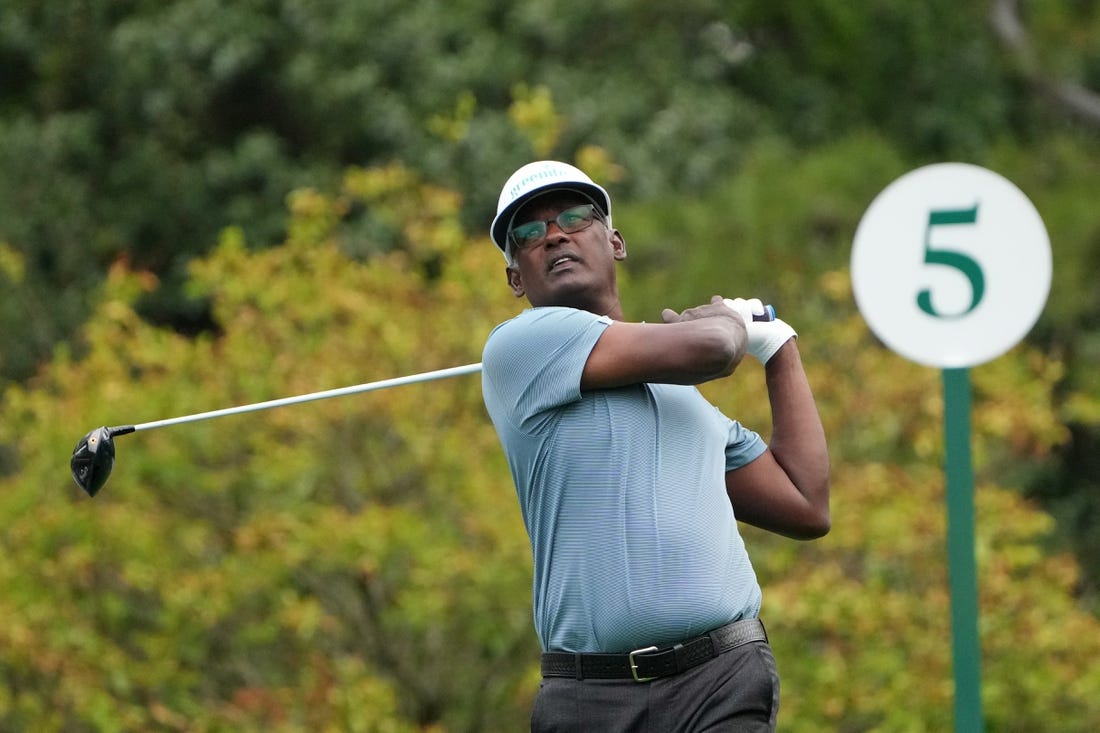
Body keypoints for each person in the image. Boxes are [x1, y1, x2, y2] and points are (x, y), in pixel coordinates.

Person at [480, 160, 830, 732]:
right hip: (588, 700)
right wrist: (728, 322)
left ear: (614, 241)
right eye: (528, 232)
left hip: (721, 681)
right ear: (517, 278)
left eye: (573, 216)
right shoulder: (520, 348)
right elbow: (715, 346)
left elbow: (806, 505)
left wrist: (780, 350)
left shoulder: (694, 409)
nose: (554, 234)